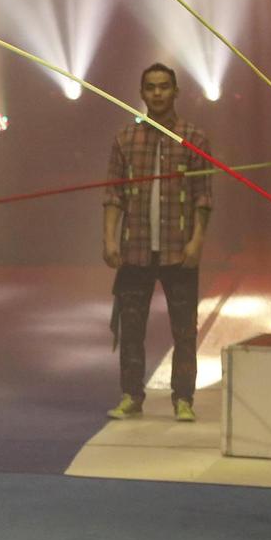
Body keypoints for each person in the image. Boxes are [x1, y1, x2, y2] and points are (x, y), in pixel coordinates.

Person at [103, 63, 212, 421]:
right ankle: (131, 395)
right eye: (151, 87)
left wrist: (197, 241)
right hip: (135, 247)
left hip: (178, 249)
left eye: (164, 87)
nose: (158, 93)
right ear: (142, 93)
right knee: (131, 328)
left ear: (176, 91)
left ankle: (184, 399)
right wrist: (109, 238)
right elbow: (113, 195)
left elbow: (203, 197)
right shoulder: (125, 139)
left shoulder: (194, 138)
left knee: (184, 330)